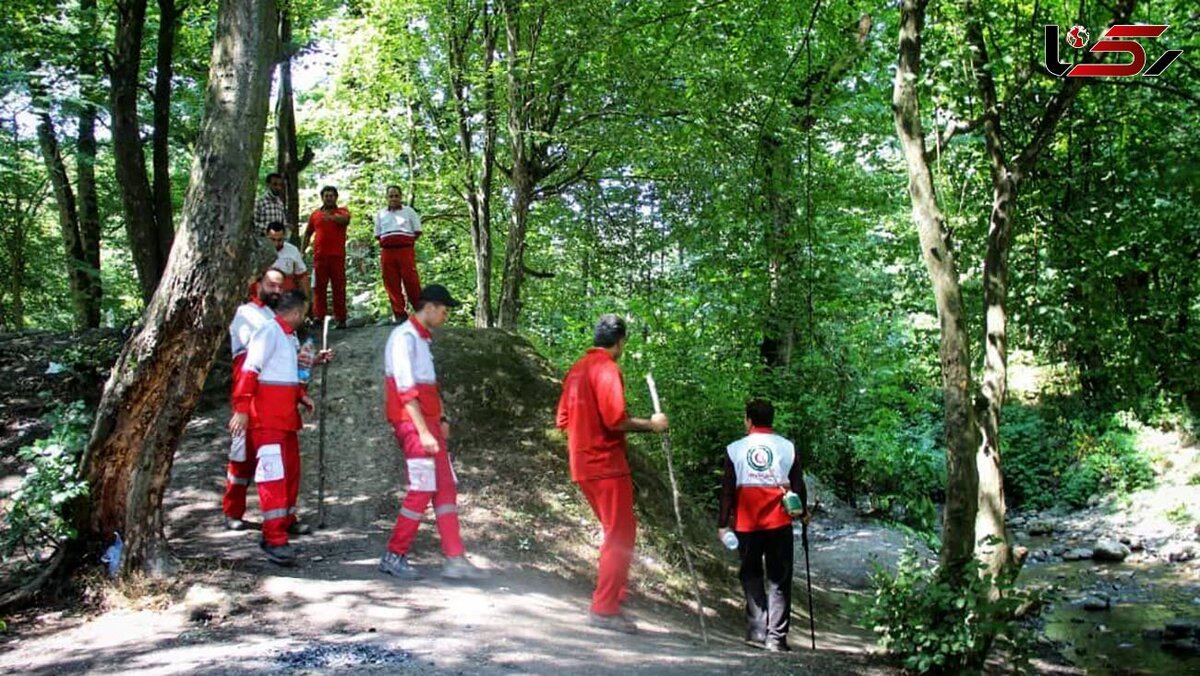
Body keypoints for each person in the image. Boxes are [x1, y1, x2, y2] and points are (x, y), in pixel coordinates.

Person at [556, 314, 668, 634]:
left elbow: (563, 420)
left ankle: (615, 592)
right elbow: (615, 420)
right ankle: (604, 608)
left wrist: (583, 441)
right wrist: (653, 424)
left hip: (582, 465)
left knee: (615, 531)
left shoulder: (577, 369)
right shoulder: (607, 368)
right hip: (605, 465)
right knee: (620, 535)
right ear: (620, 342)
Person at [378, 284, 489, 581]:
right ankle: (394, 554)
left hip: (429, 425)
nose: (446, 315)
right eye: (444, 309)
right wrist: (423, 431)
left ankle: (455, 558)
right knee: (423, 486)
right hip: (413, 425)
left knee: (445, 487)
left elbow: (429, 385)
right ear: (429, 307)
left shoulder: (422, 340)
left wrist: (441, 417)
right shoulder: (404, 338)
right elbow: (405, 389)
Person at [228, 290, 319, 565]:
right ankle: (273, 538)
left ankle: (286, 520)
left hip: (284, 418)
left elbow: (283, 374)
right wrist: (242, 409)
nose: (303, 319)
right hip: (265, 419)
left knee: (290, 472)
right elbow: (250, 370)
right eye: (303, 313)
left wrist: (300, 396)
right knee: (273, 477)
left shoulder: (289, 337)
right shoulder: (268, 332)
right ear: (295, 313)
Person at [717, 399, 811, 652]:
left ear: (748, 419)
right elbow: (798, 484)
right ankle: (776, 638)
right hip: (779, 521)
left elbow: (727, 490)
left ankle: (757, 631)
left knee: (751, 573)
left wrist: (722, 523)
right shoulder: (787, 447)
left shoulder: (735, 449)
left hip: (747, 523)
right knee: (779, 578)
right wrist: (803, 513)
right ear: (772, 420)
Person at [222, 268, 285, 531]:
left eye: (280, 287)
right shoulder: (244, 313)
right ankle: (232, 511)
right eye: (271, 285)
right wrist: (241, 406)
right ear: (257, 283)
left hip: (270, 397)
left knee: (272, 458)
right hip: (247, 394)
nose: (276, 291)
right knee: (241, 456)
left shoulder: (273, 315)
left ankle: (278, 517)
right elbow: (252, 355)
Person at [302, 186, 352, 328]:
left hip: (337, 257)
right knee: (319, 287)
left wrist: (331, 217)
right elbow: (308, 233)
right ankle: (319, 317)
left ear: (336, 197)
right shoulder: (315, 215)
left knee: (339, 287)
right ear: (322, 197)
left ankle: (341, 318)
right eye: (326, 195)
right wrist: (303, 250)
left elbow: (345, 220)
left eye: (331, 195)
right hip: (319, 257)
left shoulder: (342, 211)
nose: (328, 198)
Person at [373, 186, 422, 322]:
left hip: (405, 251)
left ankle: (420, 310)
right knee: (391, 282)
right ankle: (400, 314)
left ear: (401, 197)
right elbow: (377, 235)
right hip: (387, 252)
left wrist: (404, 241)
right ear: (387, 198)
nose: (394, 198)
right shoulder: (380, 214)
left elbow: (417, 231)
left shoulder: (409, 212)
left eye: (396, 196)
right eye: (391, 196)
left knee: (411, 281)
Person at [266, 221, 312, 301]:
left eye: (279, 240)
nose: (276, 243)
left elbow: (302, 276)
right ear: (267, 236)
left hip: (287, 297)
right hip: (266, 296)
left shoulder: (292, 251)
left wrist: (306, 300)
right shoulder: (258, 252)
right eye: (273, 240)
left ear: (284, 237)